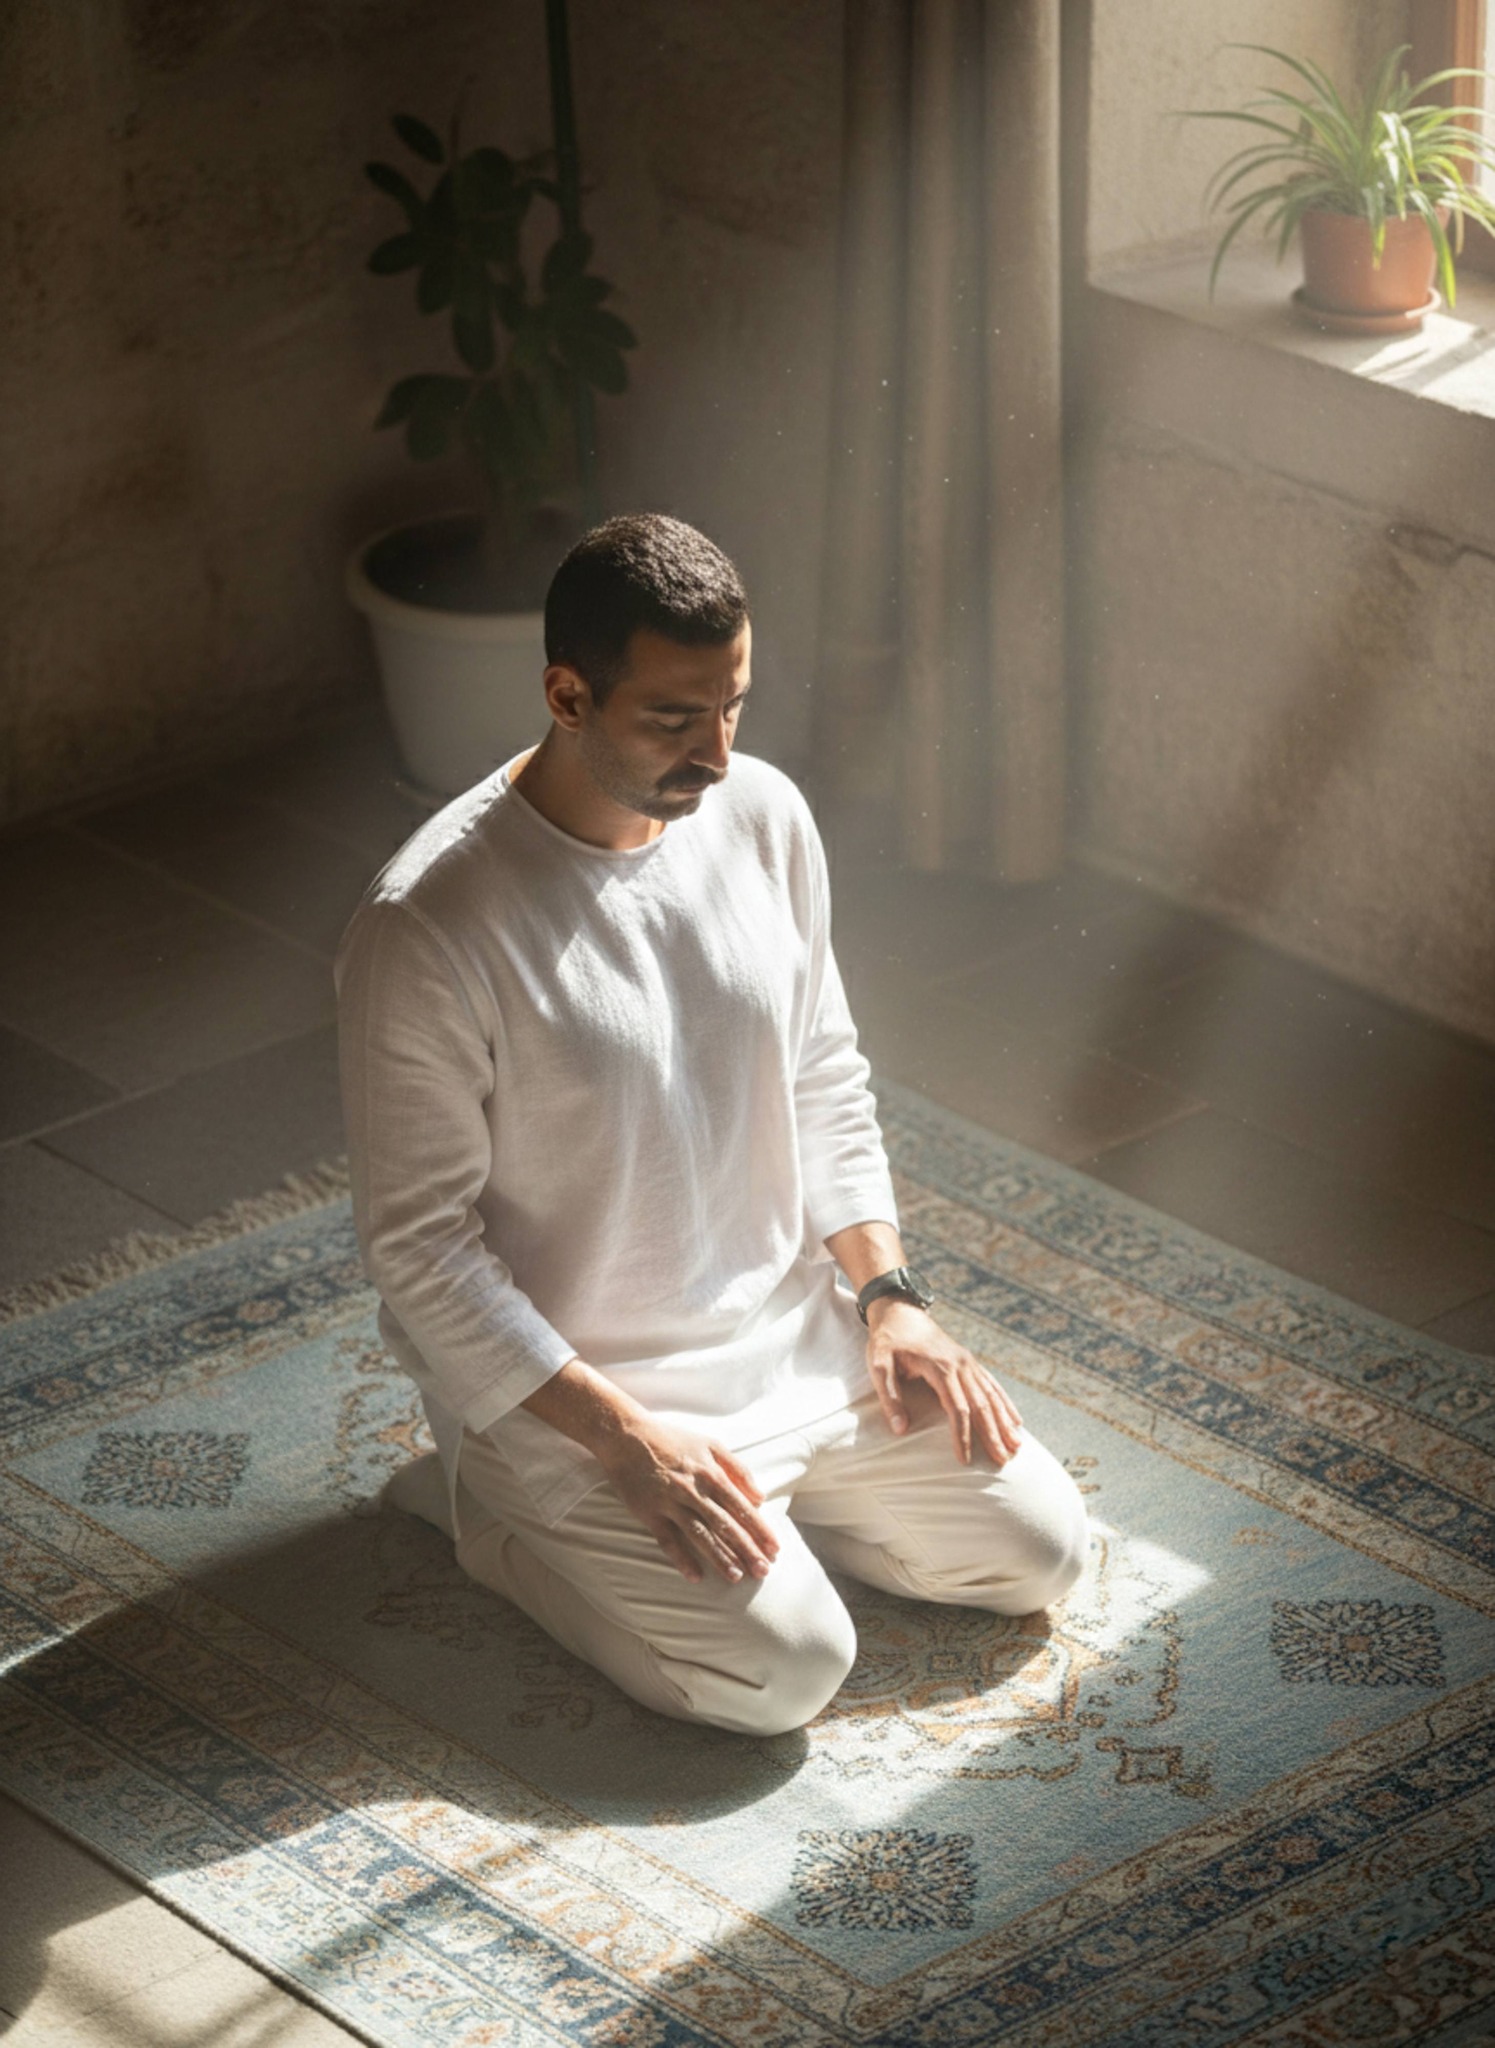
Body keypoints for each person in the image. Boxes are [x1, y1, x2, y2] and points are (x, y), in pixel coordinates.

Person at [334, 511, 1088, 1738]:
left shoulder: (765, 817)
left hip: (791, 1341)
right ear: (566, 693)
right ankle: (487, 1509)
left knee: (1039, 1556)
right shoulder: (425, 928)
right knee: (782, 1673)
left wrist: (890, 1294)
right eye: (674, 719)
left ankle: (778, 1520)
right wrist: (627, 1444)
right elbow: (418, 1251)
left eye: (732, 703)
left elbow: (822, 1069)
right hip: (588, 1399)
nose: (718, 753)